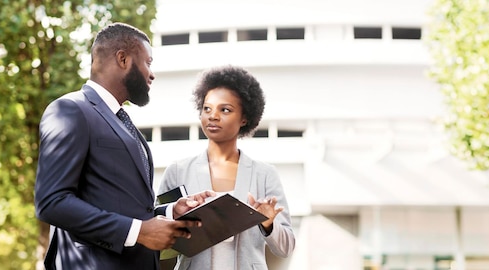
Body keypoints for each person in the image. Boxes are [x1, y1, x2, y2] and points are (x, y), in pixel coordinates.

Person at [34, 22, 214, 270]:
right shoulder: (70, 110)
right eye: (148, 62)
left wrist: (170, 211)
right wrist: (138, 231)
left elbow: (124, 204)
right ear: (123, 59)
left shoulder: (124, 123)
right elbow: (52, 202)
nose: (152, 74)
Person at [158, 65, 296, 269]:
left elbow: (286, 248)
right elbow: (157, 239)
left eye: (225, 110)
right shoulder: (177, 171)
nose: (213, 116)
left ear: (244, 118)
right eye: (207, 108)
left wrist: (268, 223)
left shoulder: (265, 174)